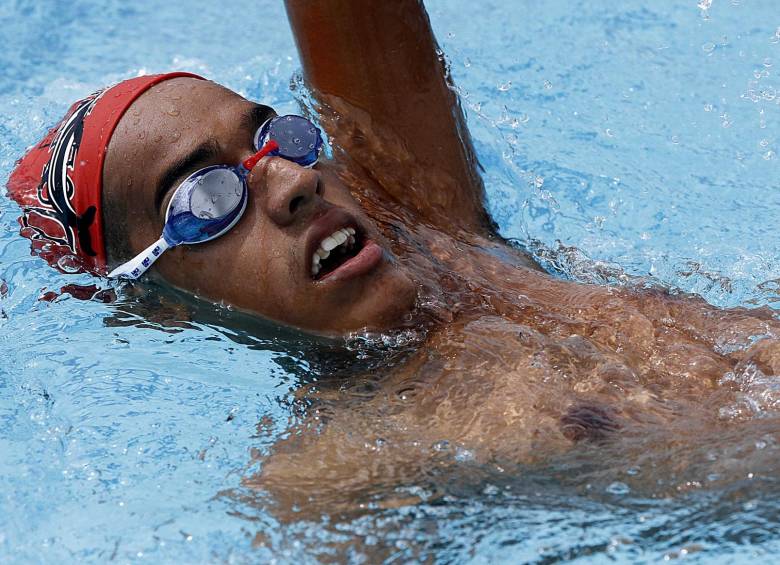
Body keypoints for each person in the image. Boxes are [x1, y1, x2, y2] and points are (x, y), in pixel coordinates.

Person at [7, 0, 780, 515]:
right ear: (159, 305)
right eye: (206, 196)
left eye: (273, 135)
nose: (292, 181)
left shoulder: (435, 225)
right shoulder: (338, 468)